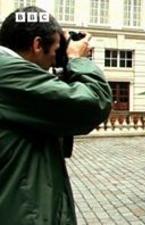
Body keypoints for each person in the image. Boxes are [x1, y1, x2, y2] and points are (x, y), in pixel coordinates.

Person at [0, 6, 112, 225]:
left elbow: (57, 122)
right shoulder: (9, 74)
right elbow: (92, 103)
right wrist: (77, 60)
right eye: (55, 50)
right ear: (37, 45)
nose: (55, 59)